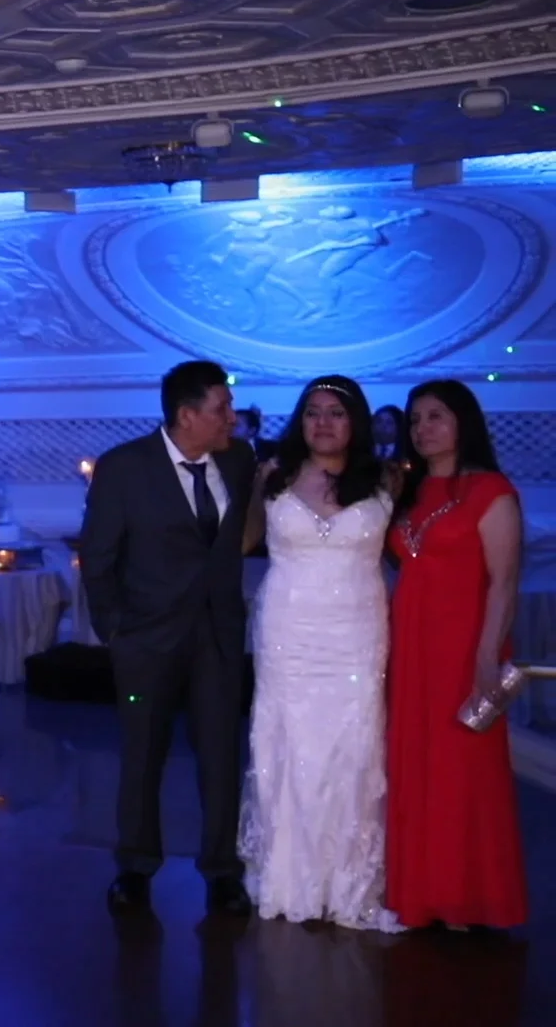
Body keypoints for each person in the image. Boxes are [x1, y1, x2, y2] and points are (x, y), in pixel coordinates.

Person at [79, 360, 255, 916]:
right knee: (142, 756)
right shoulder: (124, 468)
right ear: (187, 415)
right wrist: (116, 631)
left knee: (221, 757)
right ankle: (135, 867)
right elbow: (98, 558)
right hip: (146, 642)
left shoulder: (240, 460)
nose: (232, 418)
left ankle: (222, 872)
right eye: (222, 409)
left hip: (218, 637)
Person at [237, 376, 400, 931]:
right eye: (312, 412)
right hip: (288, 630)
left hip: (356, 631)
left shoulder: (387, 478)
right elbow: (243, 541)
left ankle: (347, 879)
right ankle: (287, 875)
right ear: (299, 421)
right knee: (288, 741)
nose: (323, 423)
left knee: (352, 746)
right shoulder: (273, 475)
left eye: (336, 412)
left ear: (355, 421)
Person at [385, 380, 527, 930]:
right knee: (416, 766)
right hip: (412, 649)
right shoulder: (410, 490)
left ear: (462, 421)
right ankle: (421, 895)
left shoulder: (491, 491)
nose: (423, 428)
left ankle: (467, 899)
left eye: (436, 416)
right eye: (415, 419)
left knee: (462, 774)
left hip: (464, 649)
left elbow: (504, 583)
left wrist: (487, 657)